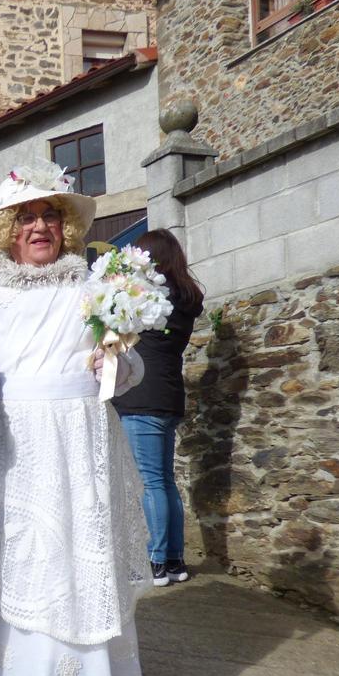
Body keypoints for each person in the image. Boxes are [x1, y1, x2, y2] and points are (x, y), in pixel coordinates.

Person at [0, 163, 150, 676]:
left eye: (50, 216)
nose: (39, 227)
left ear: (65, 228)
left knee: (87, 552)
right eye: (27, 218)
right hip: (16, 442)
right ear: (7, 231)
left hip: (83, 436)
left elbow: (131, 369)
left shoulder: (96, 289)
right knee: (32, 556)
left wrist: (114, 358)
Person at [112, 229, 204, 587]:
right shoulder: (183, 298)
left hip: (141, 397)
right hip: (168, 396)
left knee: (150, 482)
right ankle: (174, 559)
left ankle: (156, 560)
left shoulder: (148, 298)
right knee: (164, 480)